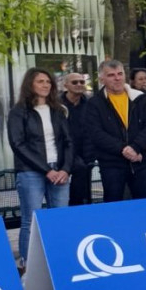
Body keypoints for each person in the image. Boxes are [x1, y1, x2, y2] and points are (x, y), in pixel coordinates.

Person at [6, 67, 73, 266]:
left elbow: (69, 142)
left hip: (60, 170)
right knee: (31, 220)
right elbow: (18, 144)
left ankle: (59, 261)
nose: (45, 85)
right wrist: (47, 170)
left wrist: (65, 169)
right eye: (40, 81)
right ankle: (29, 264)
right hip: (31, 173)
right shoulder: (18, 112)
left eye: (48, 82)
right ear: (30, 84)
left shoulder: (58, 110)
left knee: (59, 218)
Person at [81, 60, 146, 202]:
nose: (117, 78)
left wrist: (136, 148)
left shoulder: (141, 99)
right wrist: (124, 149)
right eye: (111, 75)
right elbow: (96, 133)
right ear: (101, 79)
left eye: (120, 74)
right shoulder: (94, 103)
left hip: (141, 161)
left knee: (144, 207)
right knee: (114, 208)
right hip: (112, 164)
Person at [60, 72, 95, 205]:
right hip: (64, 153)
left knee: (85, 192)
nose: (79, 84)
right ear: (66, 85)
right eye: (75, 82)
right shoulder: (57, 106)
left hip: (86, 153)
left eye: (81, 82)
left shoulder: (90, 104)